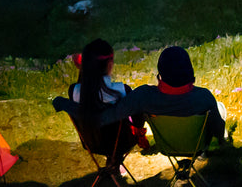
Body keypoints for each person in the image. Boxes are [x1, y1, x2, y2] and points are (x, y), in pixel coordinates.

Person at [99, 45, 230, 149]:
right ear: (189, 72)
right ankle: (202, 151)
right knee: (219, 108)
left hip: (166, 147)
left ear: (160, 74)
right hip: (198, 145)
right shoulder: (204, 97)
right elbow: (217, 132)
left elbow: (114, 113)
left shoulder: (144, 96)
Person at [57, 39, 146, 166]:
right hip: (122, 143)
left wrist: (83, 70)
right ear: (110, 64)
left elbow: (86, 89)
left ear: (83, 66)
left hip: (92, 144)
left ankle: (111, 160)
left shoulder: (73, 91)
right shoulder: (122, 90)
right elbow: (138, 121)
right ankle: (116, 159)